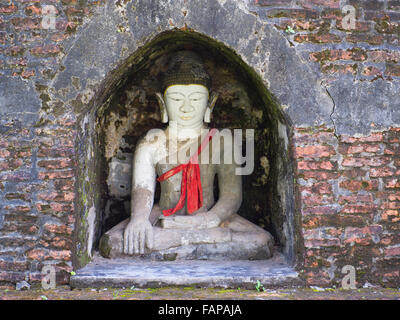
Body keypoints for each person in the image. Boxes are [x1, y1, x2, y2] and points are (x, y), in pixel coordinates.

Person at [99, 51, 273, 260]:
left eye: (196, 98)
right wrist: (139, 219)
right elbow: (142, 189)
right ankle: (196, 245)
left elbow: (231, 196)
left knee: (261, 240)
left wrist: (208, 219)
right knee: (113, 242)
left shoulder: (222, 141)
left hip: (208, 217)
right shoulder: (152, 142)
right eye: (176, 98)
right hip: (164, 216)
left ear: (210, 103)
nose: (186, 107)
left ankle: (175, 245)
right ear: (163, 103)